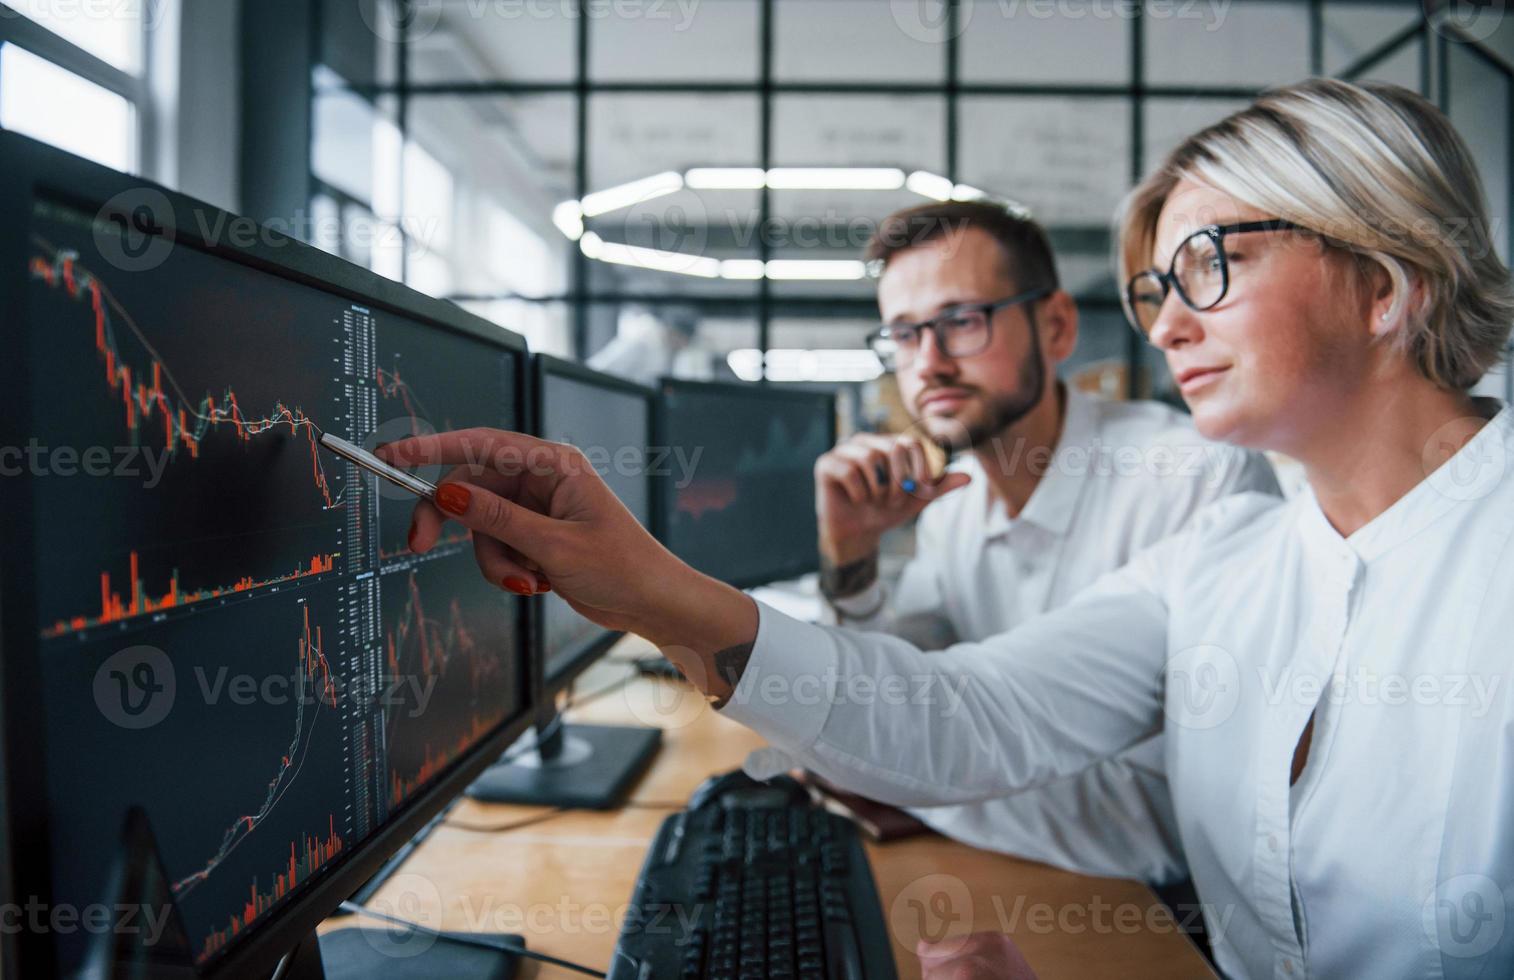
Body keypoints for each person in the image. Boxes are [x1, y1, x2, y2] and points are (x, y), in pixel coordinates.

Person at [383, 79, 1514, 979]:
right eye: (1155, 285)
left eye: (1212, 264)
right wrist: (641, 585)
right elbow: (964, 710)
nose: (1166, 322)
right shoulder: (1227, 562)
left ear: (1385, 275)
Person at [816, 199, 1277, 885]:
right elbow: (885, 690)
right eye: (905, 335)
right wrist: (850, 557)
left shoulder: (1198, 480)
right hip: (1029, 880)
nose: (929, 363)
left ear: (1057, 325)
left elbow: (1175, 820)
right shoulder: (954, 499)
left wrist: (894, 774)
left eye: (962, 321)